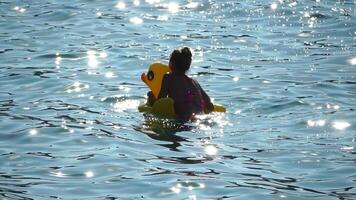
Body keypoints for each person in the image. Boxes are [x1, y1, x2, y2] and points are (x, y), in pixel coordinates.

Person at [148, 47, 214, 120]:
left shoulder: (168, 77)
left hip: (184, 120)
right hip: (202, 117)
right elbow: (208, 102)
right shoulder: (194, 82)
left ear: (171, 63)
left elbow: (161, 101)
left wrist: (152, 100)